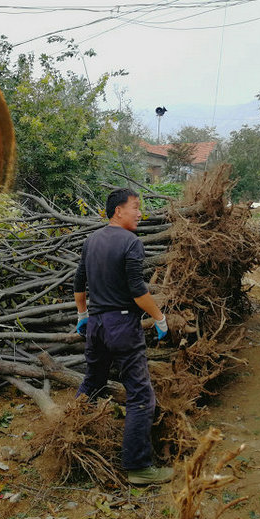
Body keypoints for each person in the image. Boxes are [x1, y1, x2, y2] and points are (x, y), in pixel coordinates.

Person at [73, 188, 173, 485]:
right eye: (135, 207)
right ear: (118, 211)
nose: (140, 213)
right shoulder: (131, 242)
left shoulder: (92, 241)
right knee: (141, 394)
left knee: (93, 381)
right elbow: (137, 290)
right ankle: (139, 467)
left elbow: (79, 282)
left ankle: (72, 434)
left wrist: (82, 315)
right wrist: (160, 317)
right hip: (122, 325)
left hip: (98, 326)